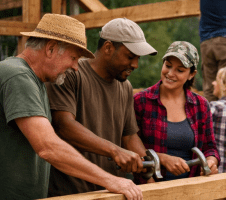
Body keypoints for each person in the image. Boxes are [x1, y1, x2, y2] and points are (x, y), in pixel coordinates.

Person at [0, 14, 143, 200]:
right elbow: (48, 146)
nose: (76, 67)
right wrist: (110, 180)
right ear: (51, 49)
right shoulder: (18, 76)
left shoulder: (36, 82)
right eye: (73, 57)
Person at [45, 18, 157, 196]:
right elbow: (64, 126)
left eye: (137, 58)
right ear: (108, 48)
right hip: (71, 193)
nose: (135, 65)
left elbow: (128, 136)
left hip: (111, 192)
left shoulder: (125, 87)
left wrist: (150, 173)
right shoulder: (71, 73)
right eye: (130, 56)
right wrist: (114, 150)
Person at [134, 41, 220, 182]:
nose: (170, 73)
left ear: (191, 74)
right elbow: (130, 148)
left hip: (192, 188)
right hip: (149, 187)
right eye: (168, 66)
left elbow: (210, 148)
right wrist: (162, 159)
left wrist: (211, 162)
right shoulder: (140, 101)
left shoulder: (201, 105)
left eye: (180, 70)